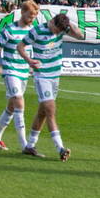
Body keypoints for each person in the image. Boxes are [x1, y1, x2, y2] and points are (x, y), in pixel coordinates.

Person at [16, 13, 85, 161]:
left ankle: (30, 146)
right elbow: (20, 46)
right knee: (50, 109)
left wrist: (69, 26)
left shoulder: (62, 29)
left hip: (55, 76)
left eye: (60, 31)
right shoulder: (37, 31)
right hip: (42, 76)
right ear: (52, 22)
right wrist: (28, 60)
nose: (57, 33)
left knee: (42, 112)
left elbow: (81, 36)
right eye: (56, 30)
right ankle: (60, 148)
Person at [0, 0, 39, 152]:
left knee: (12, 107)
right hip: (10, 70)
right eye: (29, 16)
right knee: (20, 103)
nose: (31, 19)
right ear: (22, 12)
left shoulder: (32, 29)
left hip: (24, 72)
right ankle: (24, 145)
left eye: (34, 17)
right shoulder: (9, 29)